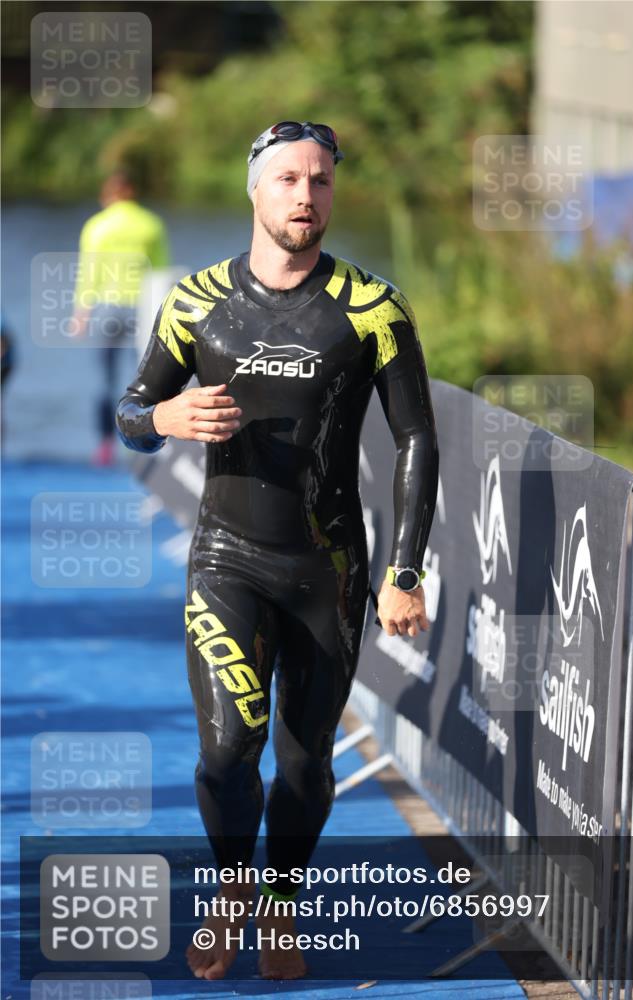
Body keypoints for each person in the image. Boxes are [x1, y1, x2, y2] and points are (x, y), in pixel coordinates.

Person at [116, 121, 439, 980]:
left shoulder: (372, 306)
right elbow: (130, 412)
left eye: (322, 181)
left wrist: (404, 572)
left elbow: (416, 441)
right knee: (227, 748)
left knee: (303, 761)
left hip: (328, 569)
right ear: (253, 191)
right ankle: (230, 894)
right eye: (289, 179)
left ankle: (281, 907)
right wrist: (163, 420)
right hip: (226, 556)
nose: (306, 196)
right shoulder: (194, 303)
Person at [73, 169, 169, 465]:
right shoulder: (151, 224)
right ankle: (143, 441)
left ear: (108, 195)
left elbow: (89, 273)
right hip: (143, 307)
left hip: (107, 307)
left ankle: (104, 446)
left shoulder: (97, 226)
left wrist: (80, 313)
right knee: (145, 379)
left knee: (103, 380)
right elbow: (161, 271)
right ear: (132, 193)